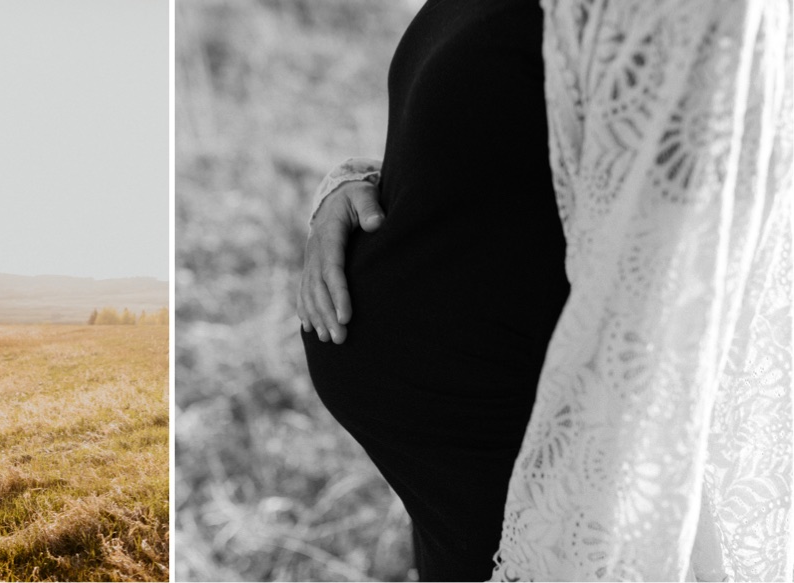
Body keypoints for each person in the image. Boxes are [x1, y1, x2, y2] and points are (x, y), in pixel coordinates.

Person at [294, 0, 791, 580]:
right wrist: (354, 186)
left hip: (539, 501)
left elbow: (673, 280)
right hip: (454, 492)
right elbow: (504, 154)